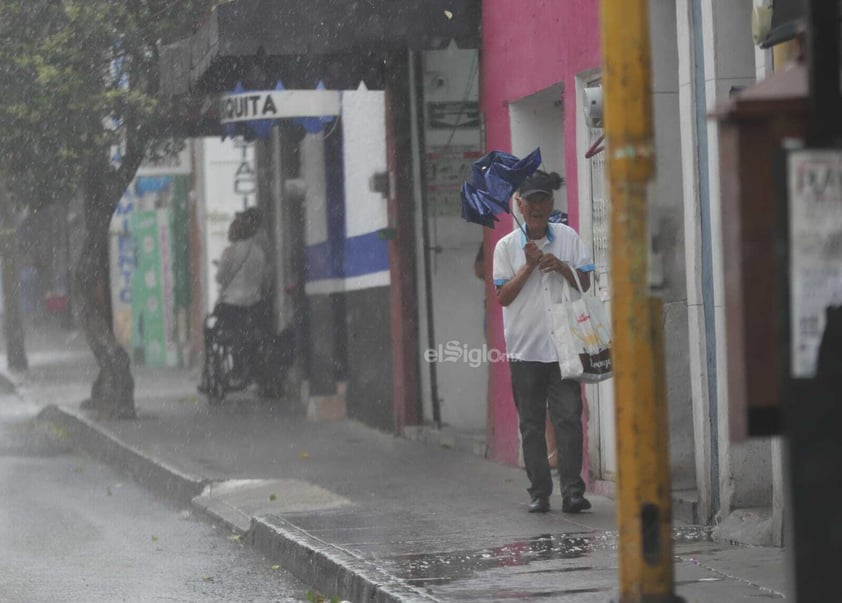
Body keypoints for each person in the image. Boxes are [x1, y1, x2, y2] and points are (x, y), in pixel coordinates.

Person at [492, 169, 595, 514]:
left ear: (551, 203)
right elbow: (502, 297)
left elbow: (586, 281)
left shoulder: (567, 237)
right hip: (526, 348)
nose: (537, 206)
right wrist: (528, 267)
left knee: (569, 417)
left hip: (565, 347)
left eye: (543, 199)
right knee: (532, 424)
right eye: (531, 200)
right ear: (519, 205)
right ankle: (539, 492)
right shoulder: (505, 248)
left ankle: (573, 492)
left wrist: (562, 267)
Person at [213, 207, 270, 385]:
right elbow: (263, 279)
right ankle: (252, 365)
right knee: (249, 332)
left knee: (226, 331)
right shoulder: (259, 253)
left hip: (231, 306)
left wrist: (222, 268)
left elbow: (220, 278)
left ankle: (237, 368)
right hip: (254, 305)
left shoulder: (229, 253)